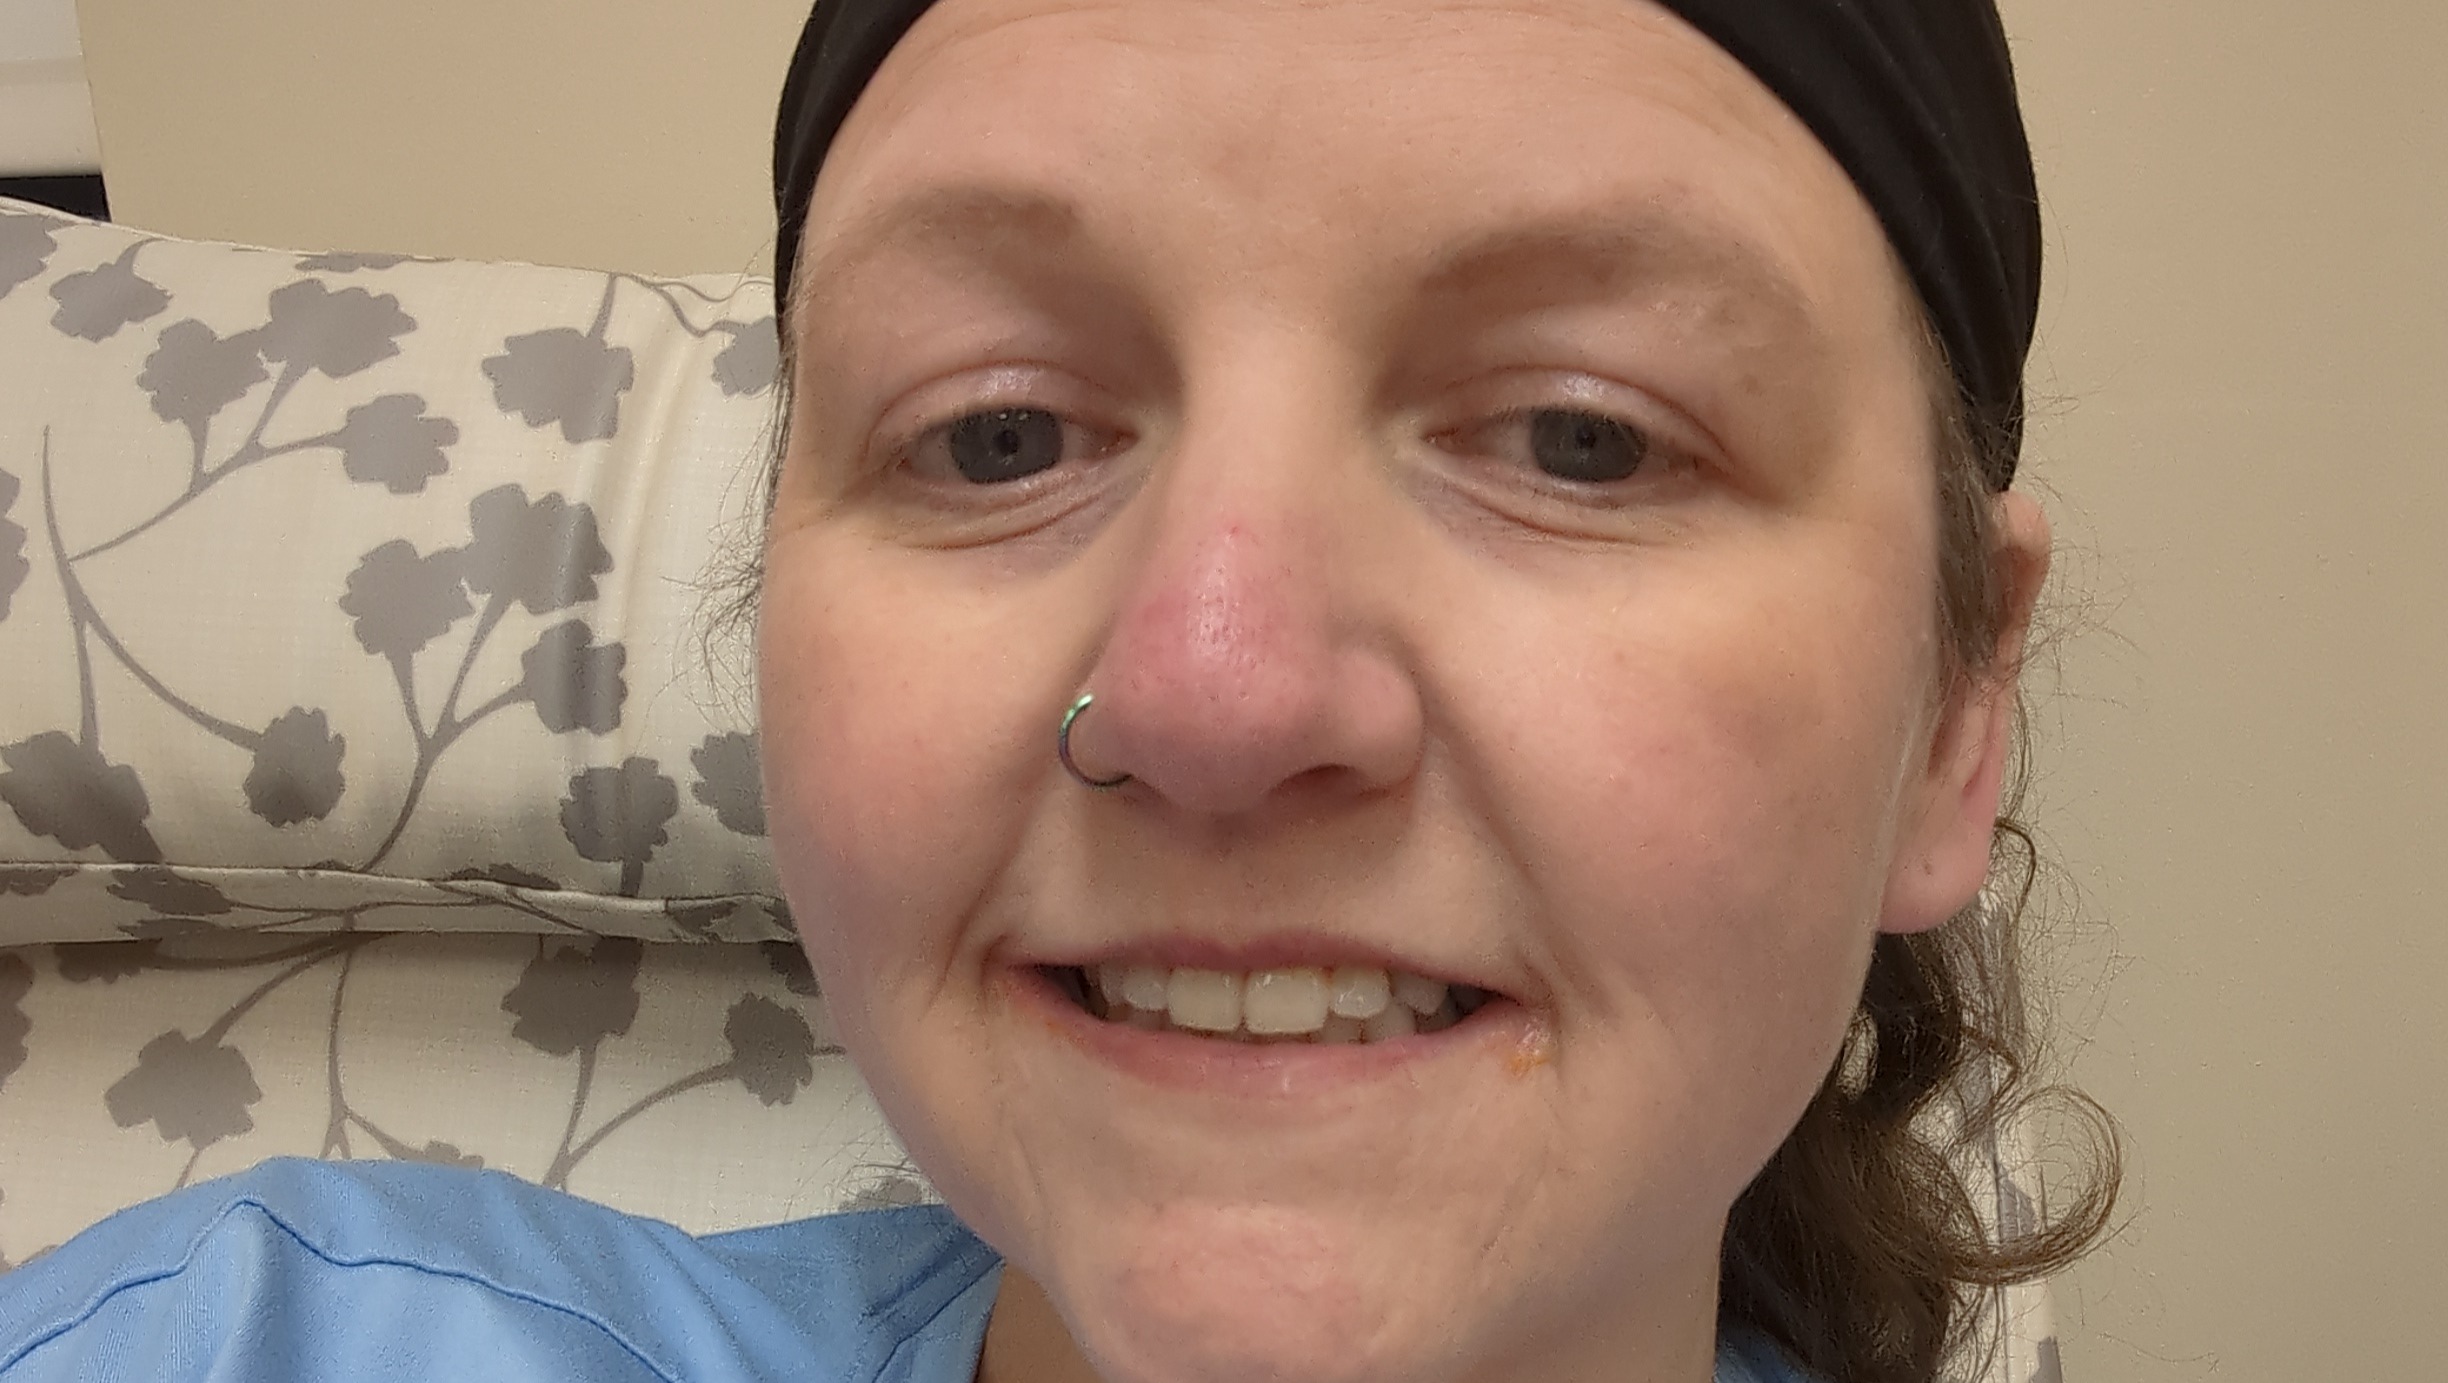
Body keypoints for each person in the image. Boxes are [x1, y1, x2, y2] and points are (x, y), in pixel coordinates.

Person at [0, 1, 2116, 1380]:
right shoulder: (231, 1344)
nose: (1212, 688)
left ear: (1954, 708)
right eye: (995, 434)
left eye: (1582, 436)